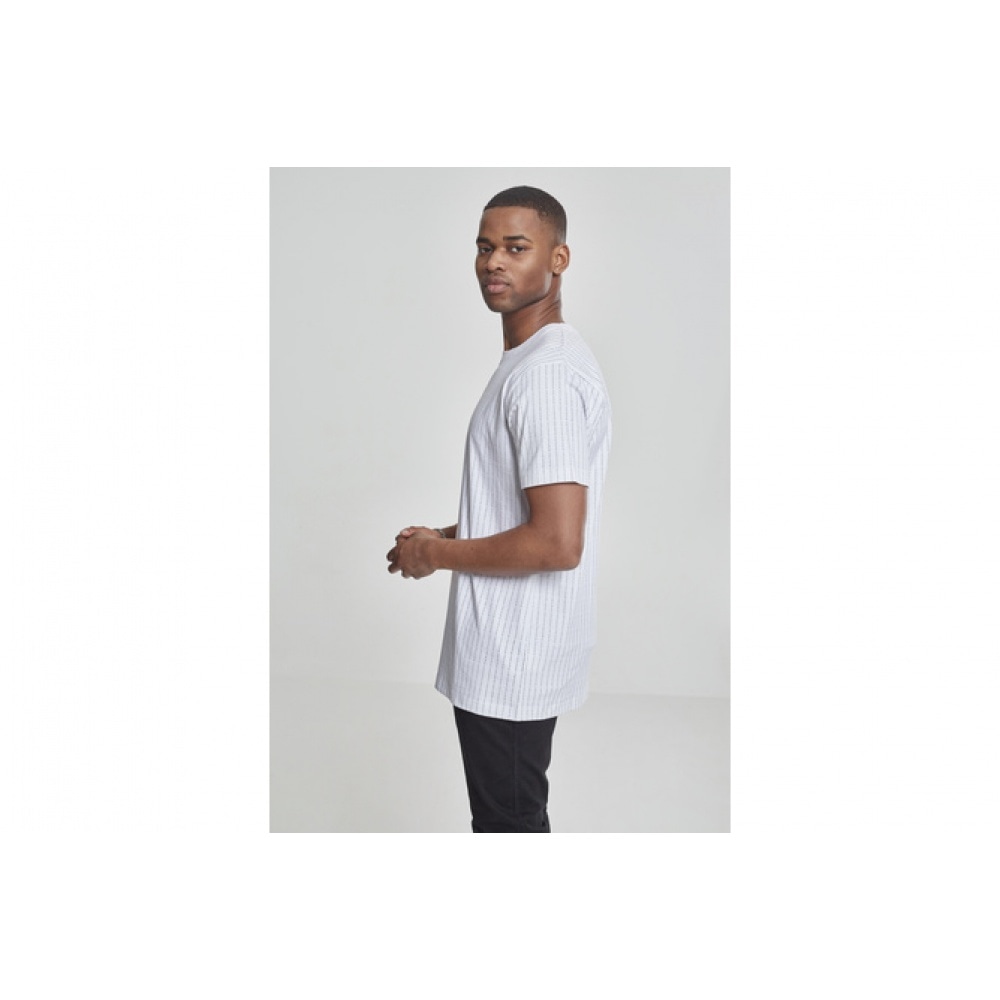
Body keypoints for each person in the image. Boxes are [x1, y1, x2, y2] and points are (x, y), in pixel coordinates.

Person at [386, 185, 612, 833]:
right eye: (485, 247)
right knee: (506, 821)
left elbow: (556, 542)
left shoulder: (545, 375)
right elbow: (526, 512)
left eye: (516, 248)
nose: (493, 262)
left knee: (508, 826)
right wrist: (441, 534)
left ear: (558, 258)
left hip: (515, 658)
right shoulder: (530, 362)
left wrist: (435, 554)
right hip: (510, 653)